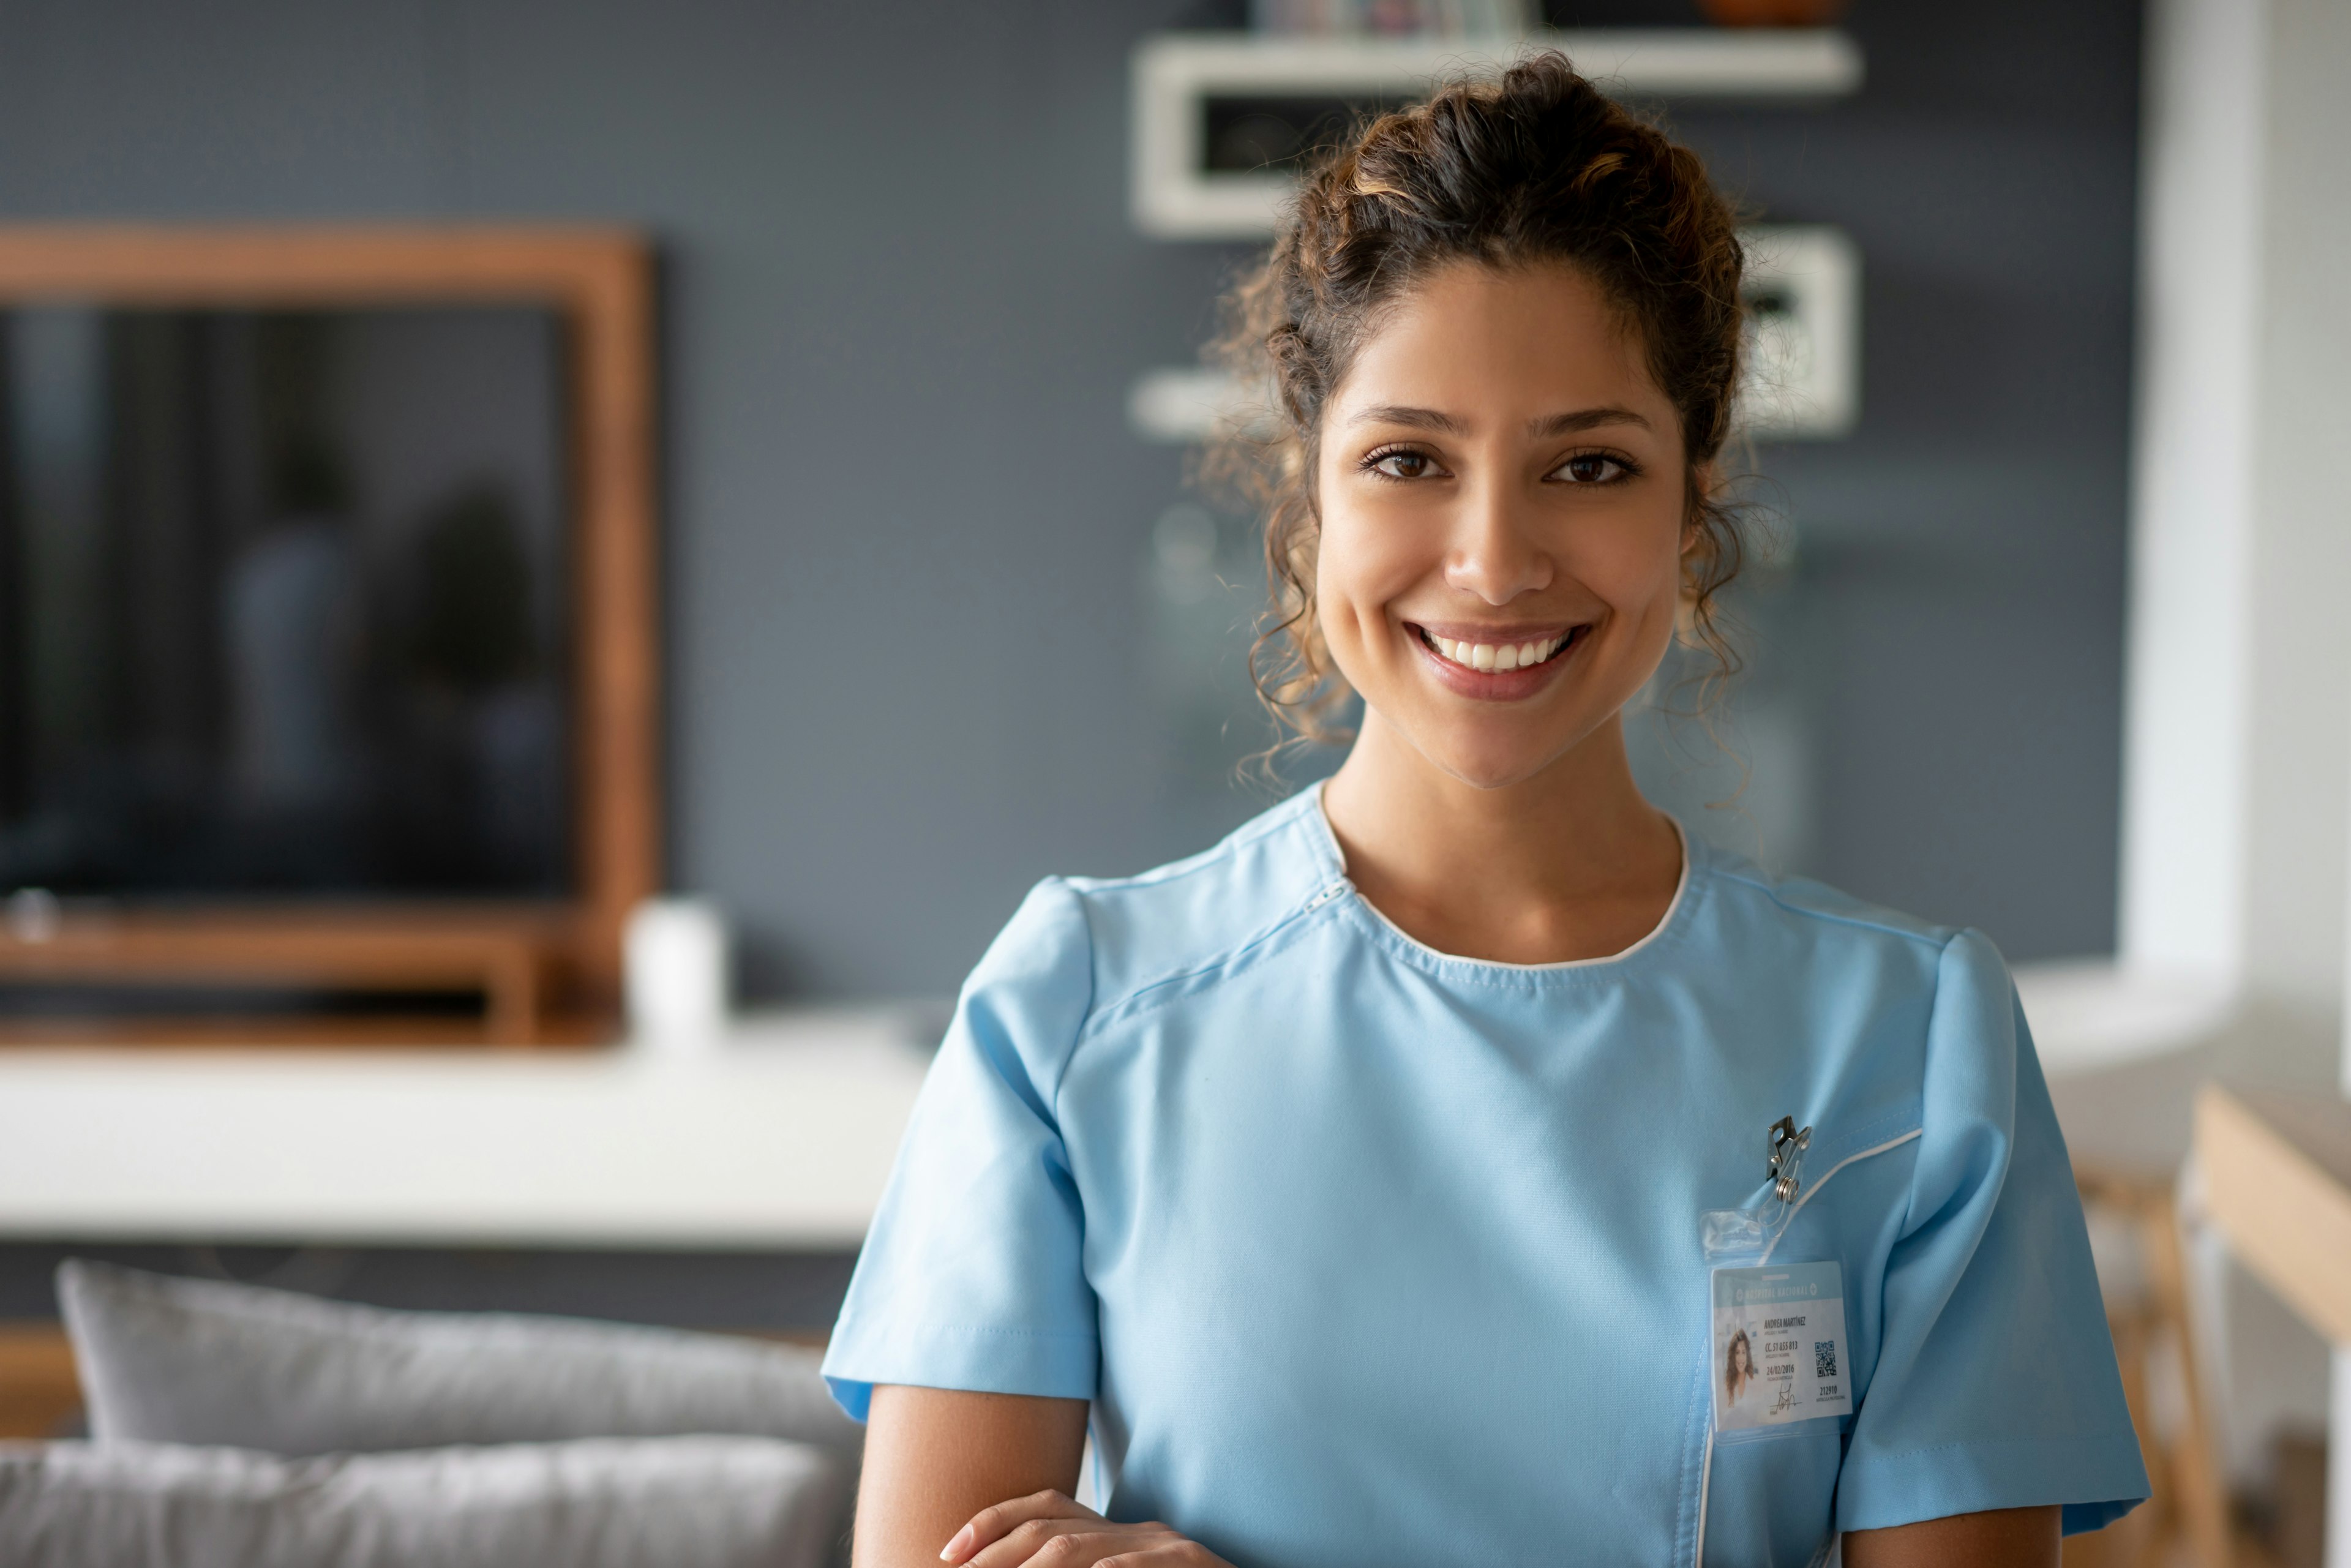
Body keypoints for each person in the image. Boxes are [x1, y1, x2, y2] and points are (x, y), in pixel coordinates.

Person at [822, 53, 2148, 1568]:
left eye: (1587, 463)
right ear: (1308, 491)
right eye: (1407, 460)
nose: (1495, 559)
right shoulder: (1071, 1013)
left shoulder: (1910, 1041)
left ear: (1691, 495)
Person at [1725, 1329, 1756, 1409]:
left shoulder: (1754, 1384)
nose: (1741, 1358)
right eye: (1737, 1353)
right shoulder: (1726, 1387)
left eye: (1744, 1352)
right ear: (1733, 1356)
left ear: (1747, 1356)